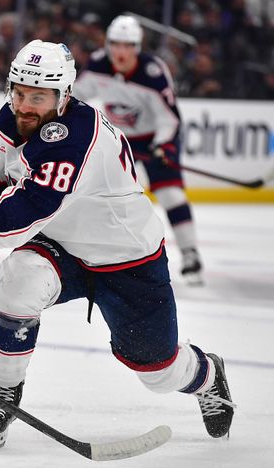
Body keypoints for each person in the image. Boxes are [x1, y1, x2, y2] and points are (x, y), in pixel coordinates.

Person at [0, 40, 235, 454]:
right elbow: (1, 168)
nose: (25, 105)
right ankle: (3, 392)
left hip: (125, 258)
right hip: (61, 243)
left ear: (64, 96)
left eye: (38, 97)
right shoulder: (15, 116)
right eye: (19, 92)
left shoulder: (76, 139)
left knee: (157, 370)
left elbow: (28, 210)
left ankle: (206, 374)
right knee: (17, 281)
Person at [74, 15, 204, 286]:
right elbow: (77, 95)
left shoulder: (153, 73)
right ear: (108, 44)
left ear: (138, 47)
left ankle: (190, 252)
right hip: (119, 139)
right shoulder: (98, 63)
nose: (121, 52)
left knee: (170, 194)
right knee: (103, 193)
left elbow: (169, 118)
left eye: (128, 45)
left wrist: (163, 145)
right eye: (115, 44)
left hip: (155, 140)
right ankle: (101, 255)